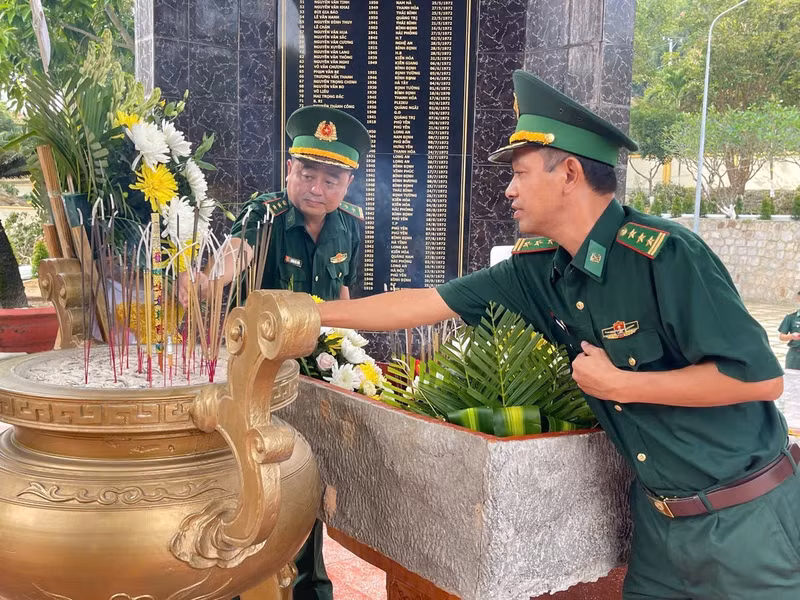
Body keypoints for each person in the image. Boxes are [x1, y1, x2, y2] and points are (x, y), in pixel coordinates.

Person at [314, 71, 798, 599]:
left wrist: (624, 385)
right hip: (659, 528)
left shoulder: (667, 255)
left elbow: (757, 381)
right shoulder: (537, 268)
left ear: (569, 172)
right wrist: (310, 314)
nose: (509, 189)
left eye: (520, 173)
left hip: (745, 523)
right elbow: (426, 302)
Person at [201, 105, 371, 600]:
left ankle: (309, 586)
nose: (317, 188)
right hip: (260, 381)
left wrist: (351, 357)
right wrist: (209, 280)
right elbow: (227, 269)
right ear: (289, 170)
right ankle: (242, 585)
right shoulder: (264, 214)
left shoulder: (349, 225)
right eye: (307, 173)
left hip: (316, 376)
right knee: (260, 481)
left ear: (347, 183)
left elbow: (343, 301)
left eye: (332, 178)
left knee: (312, 478)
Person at [778, 291, 800, 370]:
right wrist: (792, 336)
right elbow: (781, 337)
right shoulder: (791, 317)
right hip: (795, 356)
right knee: (792, 380)